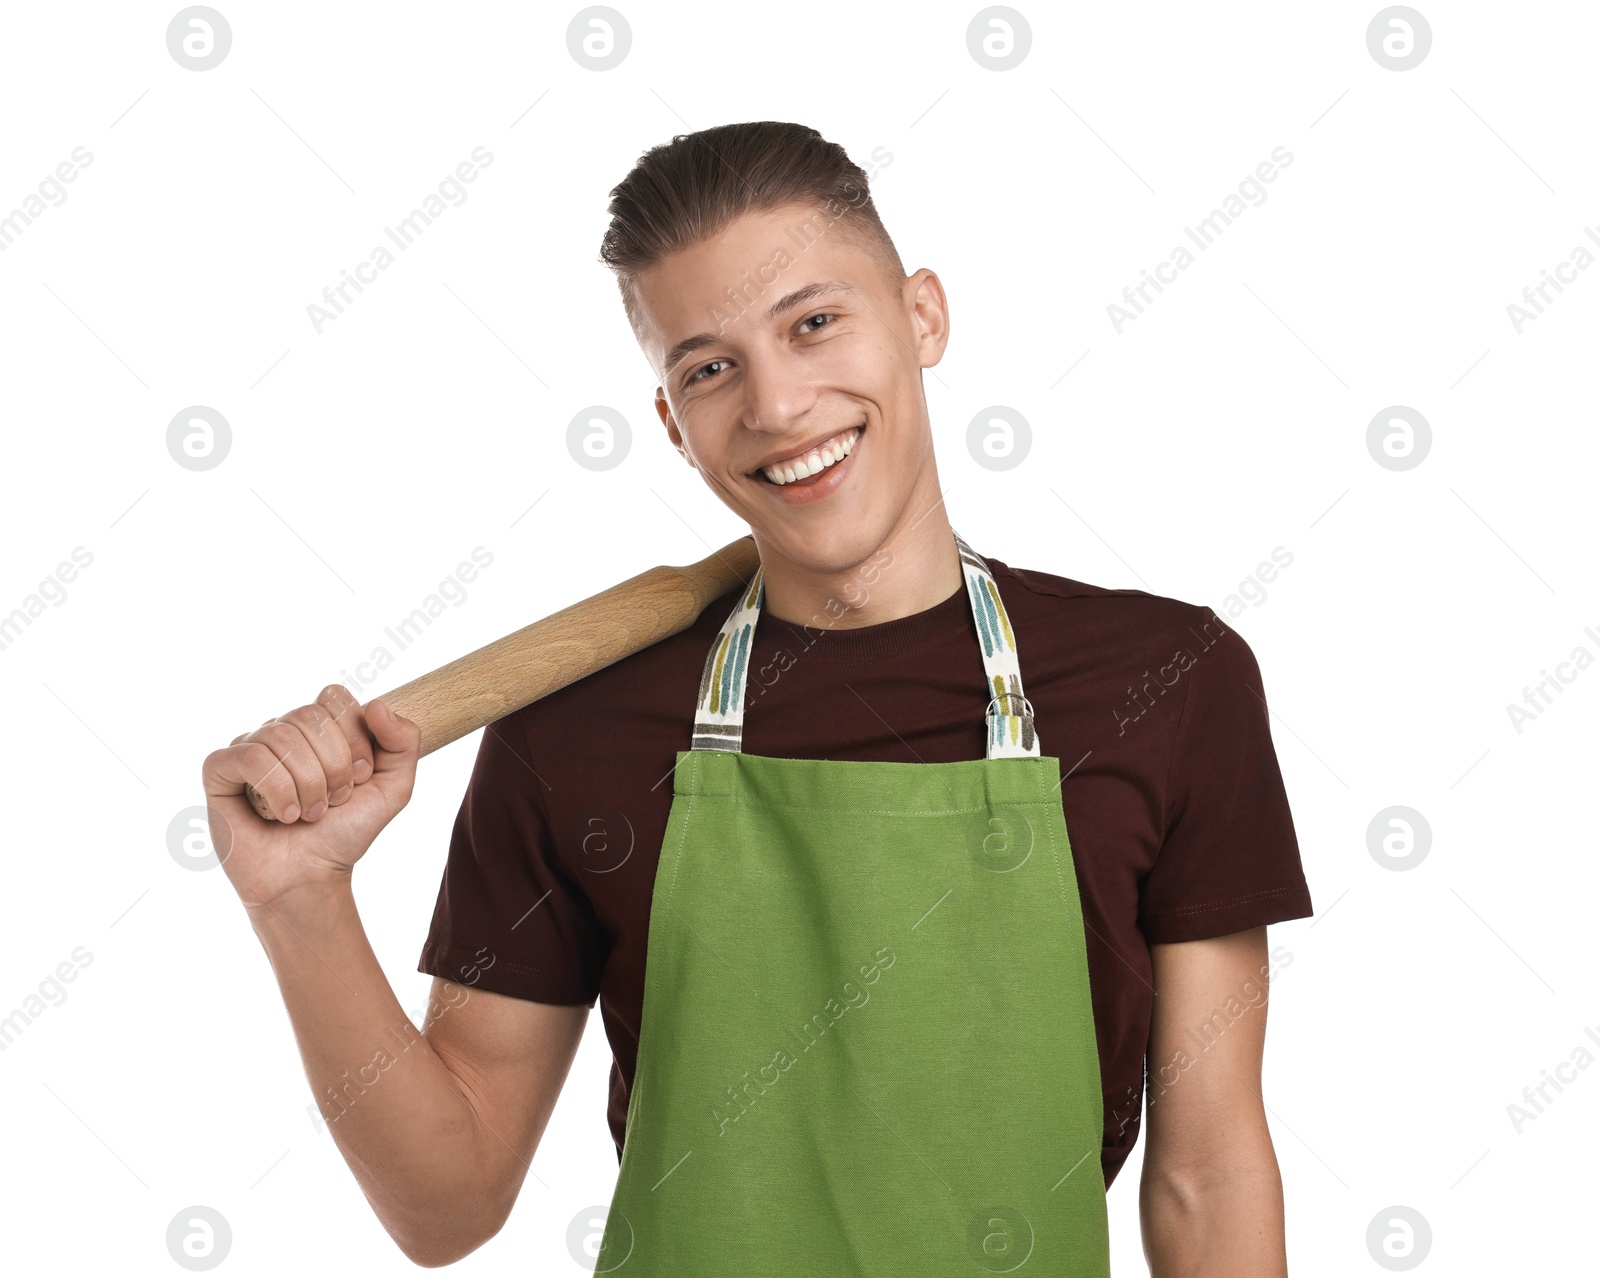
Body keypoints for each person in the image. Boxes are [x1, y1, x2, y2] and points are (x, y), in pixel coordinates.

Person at [203, 121, 1312, 1274]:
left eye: (814, 322)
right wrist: (302, 902)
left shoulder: (1166, 681)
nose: (777, 406)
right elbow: (448, 1208)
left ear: (922, 315)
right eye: (710, 366)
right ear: (674, 425)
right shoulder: (569, 728)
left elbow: (1207, 1176)